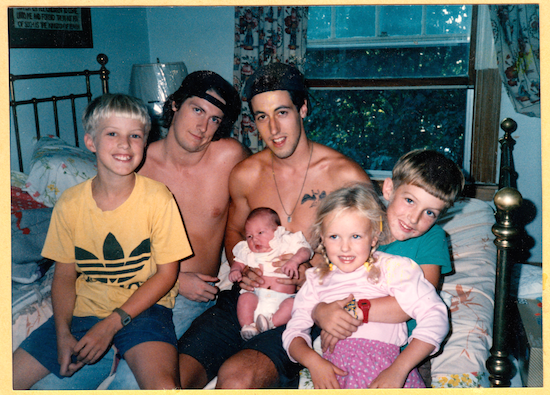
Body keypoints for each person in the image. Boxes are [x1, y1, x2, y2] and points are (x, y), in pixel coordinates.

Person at [177, 62, 371, 389]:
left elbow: (376, 256)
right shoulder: (246, 175)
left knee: (237, 379)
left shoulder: (345, 176)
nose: (274, 129)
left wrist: (321, 279)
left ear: (303, 108)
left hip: (303, 306)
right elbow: (235, 234)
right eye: (262, 117)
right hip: (245, 299)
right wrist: (245, 269)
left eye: (282, 112)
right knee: (172, 378)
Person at [12, 94, 192, 390]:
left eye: (135, 135)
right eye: (112, 134)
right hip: (85, 310)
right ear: (91, 142)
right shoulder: (70, 203)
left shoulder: (158, 198)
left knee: (164, 387)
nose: (125, 144)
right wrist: (62, 334)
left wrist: (109, 326)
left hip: (145, 309)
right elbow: (65, 275)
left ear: (145, 143)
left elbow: (167, 275)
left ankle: (116, 355)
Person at [107, 70, 250, 389]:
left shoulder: (229, 157)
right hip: (136, 284)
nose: (203, 127)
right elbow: (113, 243)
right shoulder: (137, 164)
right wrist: (174, 279)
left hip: (191, 298)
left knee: (133, 384)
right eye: (197, 109)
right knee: (65, 371)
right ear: (174, 105)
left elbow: (263, 202)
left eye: (214, 119)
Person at [311, 149, 465, 387]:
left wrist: (351, 311)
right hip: (344, 344)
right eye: (410, 200)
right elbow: (322, 279)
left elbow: (410, 306)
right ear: (389, 189)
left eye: (430, 213)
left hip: (404, 354)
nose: (414, 218)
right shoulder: (358, 225)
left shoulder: (432, 238)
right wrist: (320, 312)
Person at [282, 183, 449, 389]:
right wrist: (314, 362)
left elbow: (435, 315)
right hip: (335, 376)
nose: (345, 247)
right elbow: (293, 333)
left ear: (374, 238)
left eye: (356, 236)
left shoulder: (393, 267)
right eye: (334, 236)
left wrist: (399, 369)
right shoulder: (316, 279)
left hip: (387, 371)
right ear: (322, 238)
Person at [229, 207, 313, 340]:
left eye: (260, 233)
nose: (254, 239)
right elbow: (238, 261)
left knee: (292, 304)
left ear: (277, 230)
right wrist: (235, 270)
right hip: (256, 296)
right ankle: (248, 326)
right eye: (249, 236)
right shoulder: (249, 251)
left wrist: (294, 261)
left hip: (283, 298)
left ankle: (270, 323)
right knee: (245, 299)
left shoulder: (285, 242)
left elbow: (305, 250)